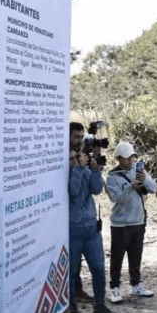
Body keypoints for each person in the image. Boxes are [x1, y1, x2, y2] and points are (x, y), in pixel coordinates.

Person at [106, 141, 157, 303]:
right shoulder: (111, 177)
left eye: (132, 157)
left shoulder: (138, 170)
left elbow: (153, 188)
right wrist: (130, 187)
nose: (130, 161)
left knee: (136, 256)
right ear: (118, 159)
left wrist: (144, 181)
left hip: (138, 221)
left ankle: (136, 284)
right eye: (127, 158)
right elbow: (116, 198)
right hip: (120, 224)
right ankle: (114, 288)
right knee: (117, 257)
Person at [68, 147, 117, 313]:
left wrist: (95, 171)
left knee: (98, 268)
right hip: (72, 231)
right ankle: (71, 307)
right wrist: (79, 169)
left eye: (77, 158)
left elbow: (96, 190)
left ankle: (99, 305)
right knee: (71, 272)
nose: (76, 161)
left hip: (91, 229)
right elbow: (73, 192)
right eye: (72, 159)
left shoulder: (83, 170)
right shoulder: (68, 175)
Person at [69, 122, 91, 302]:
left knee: (77, 258)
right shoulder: (66, 155)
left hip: (81, 214)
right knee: (72, 259)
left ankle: (77, 290)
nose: (79, 140)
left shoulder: (81, 155)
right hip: (67, 214)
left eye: (81, 137)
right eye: (76, 136)